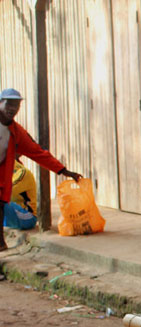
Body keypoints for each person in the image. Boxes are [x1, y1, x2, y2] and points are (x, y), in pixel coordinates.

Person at [0, 88, 81, 251]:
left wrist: (64, 171)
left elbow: (38, 153)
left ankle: (0, 244)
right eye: (9, 104)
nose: (12, 109)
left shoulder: (16, 131)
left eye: (16, 105)